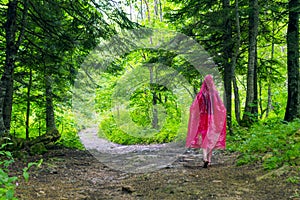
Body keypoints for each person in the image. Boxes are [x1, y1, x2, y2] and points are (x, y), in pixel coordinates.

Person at [185, 75, 226, 168]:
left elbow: (195, 107)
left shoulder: (201, 94)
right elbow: (220, 106)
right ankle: (209, 159)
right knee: (210, 137)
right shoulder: (214, 93)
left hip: (202, 118)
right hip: (212, 118)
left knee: (204, 137)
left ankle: (204, 157)